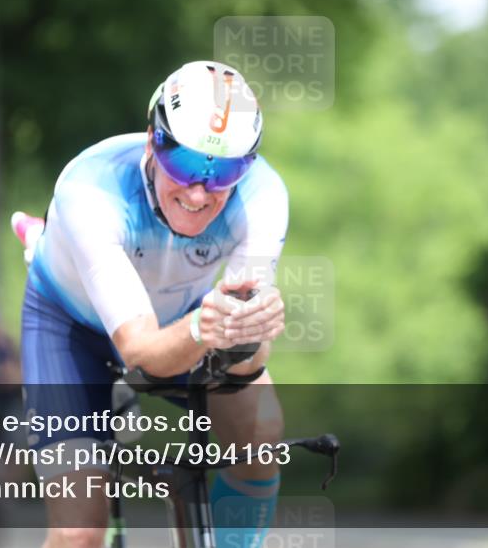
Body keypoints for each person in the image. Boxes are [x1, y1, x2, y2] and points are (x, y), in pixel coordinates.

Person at [19, 61, 288, 548]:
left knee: (261, 430)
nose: (198, 191)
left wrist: (254, 333)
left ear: (246, 168)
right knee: (79, 532)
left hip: (180, 320)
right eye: (183, 164)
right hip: (71, 328)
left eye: (223, 170)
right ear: (152, 142)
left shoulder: (263, 198)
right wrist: (204, 330)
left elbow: (246, 358)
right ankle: (41, 242)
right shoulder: (90, 190)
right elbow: (141, 350)